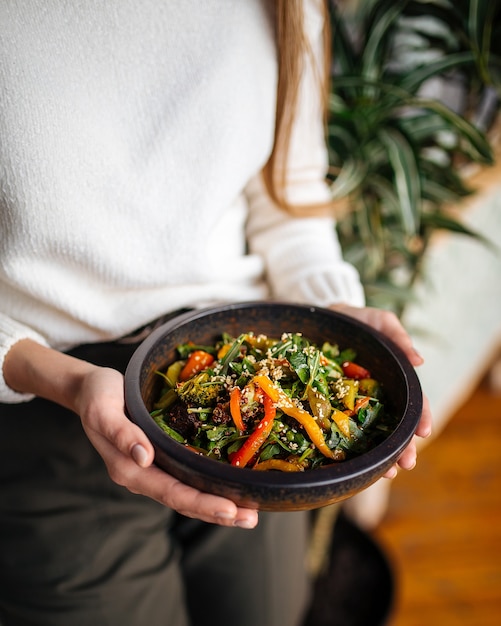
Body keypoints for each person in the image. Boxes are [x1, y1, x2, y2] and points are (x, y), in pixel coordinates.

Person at [0, 1, 432, 625]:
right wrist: (55, 377)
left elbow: (288, 196)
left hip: (246, 385)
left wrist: (332, 306)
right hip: (46, 401)